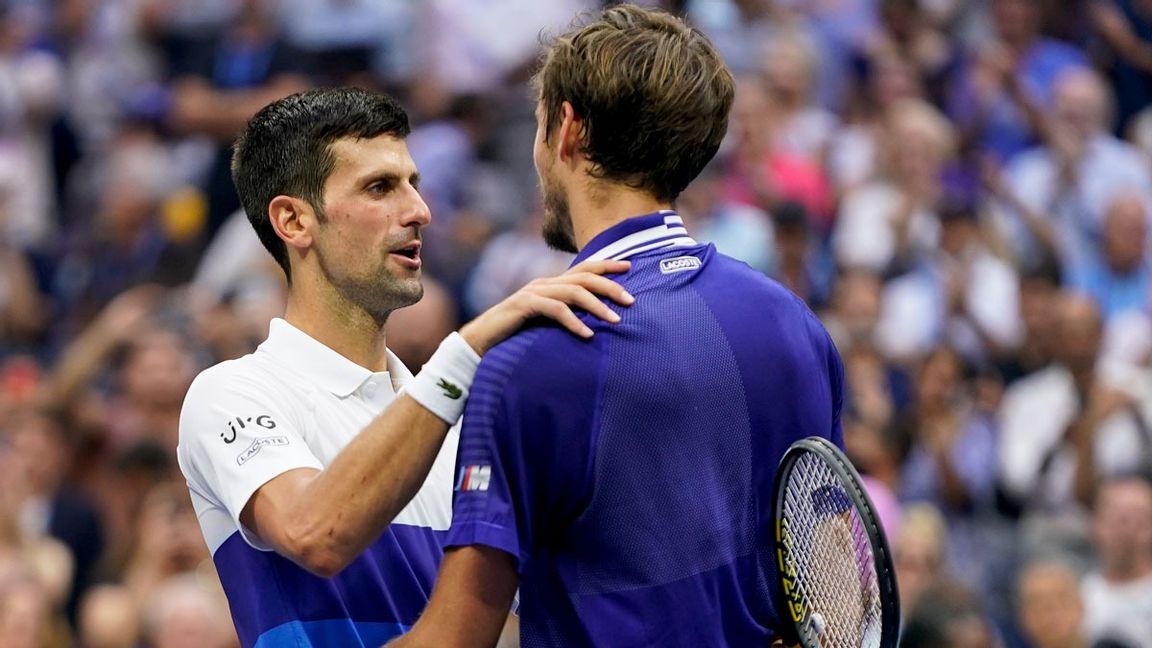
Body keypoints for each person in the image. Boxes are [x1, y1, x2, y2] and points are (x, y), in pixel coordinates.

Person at [393, 6, 845, 647]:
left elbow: (454, 640)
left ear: (567, 129)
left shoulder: (529, 364)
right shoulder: (795, 325)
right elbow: (827, 590)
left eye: (541, 123)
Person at [176, 86, 633, 647]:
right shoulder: (233, 393)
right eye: (379, 188)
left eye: (413, 184)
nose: (419, 210)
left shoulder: (465, 422)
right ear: (294, 221)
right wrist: (464, 353)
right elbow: (313, 531)